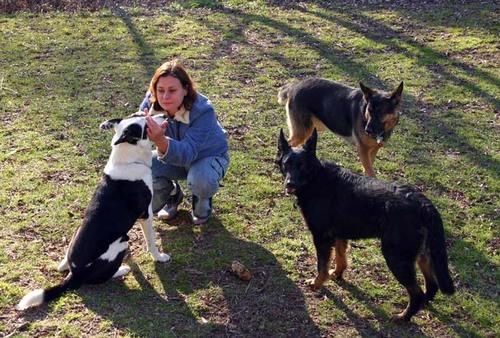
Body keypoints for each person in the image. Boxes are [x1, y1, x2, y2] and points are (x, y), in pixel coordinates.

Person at [140, 59, 229, 225]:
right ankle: (172, 194)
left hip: (208, 157)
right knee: (141, 166)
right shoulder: (151, 102)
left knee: (200, 179)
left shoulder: (203, 111)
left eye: (172, 90)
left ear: (186, 89)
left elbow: (188, 153)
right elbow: (137, 127)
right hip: (174, 157)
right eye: (160, 90)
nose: (165, 96)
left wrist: (160, 140)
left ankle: (202, 198)